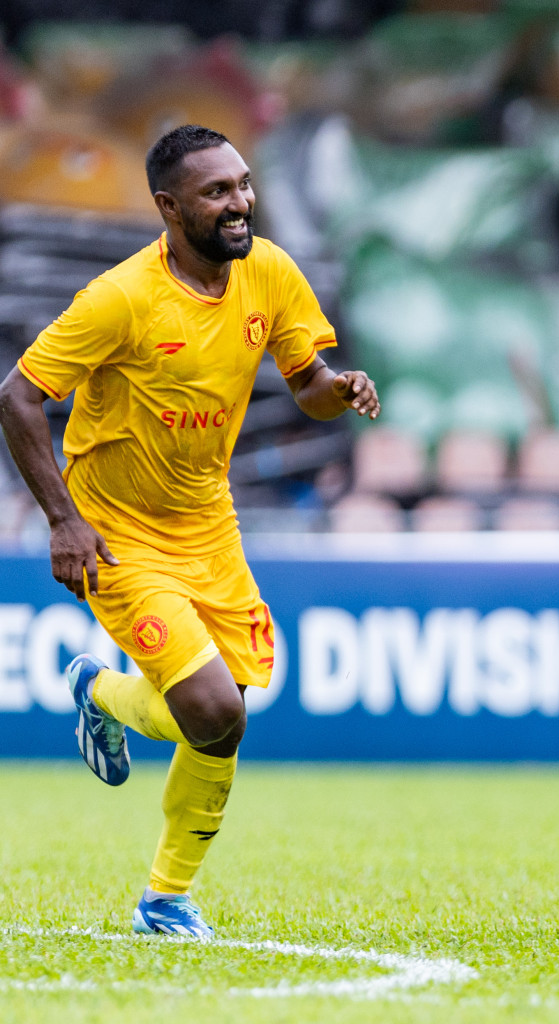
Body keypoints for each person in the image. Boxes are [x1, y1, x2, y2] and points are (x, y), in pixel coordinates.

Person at [0, 124, 379, 939]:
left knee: (224, 716)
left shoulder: (270, 271)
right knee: (215, 713)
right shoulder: (120, 298)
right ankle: (166, 899)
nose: (240, 201)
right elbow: (17, 397)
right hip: (117, 532)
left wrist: (337, 388)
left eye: (243, 184)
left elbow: (305, 381)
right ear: (170, 208)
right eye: (217, 192)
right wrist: (63, 523)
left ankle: (103, 709)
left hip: (209, 524)